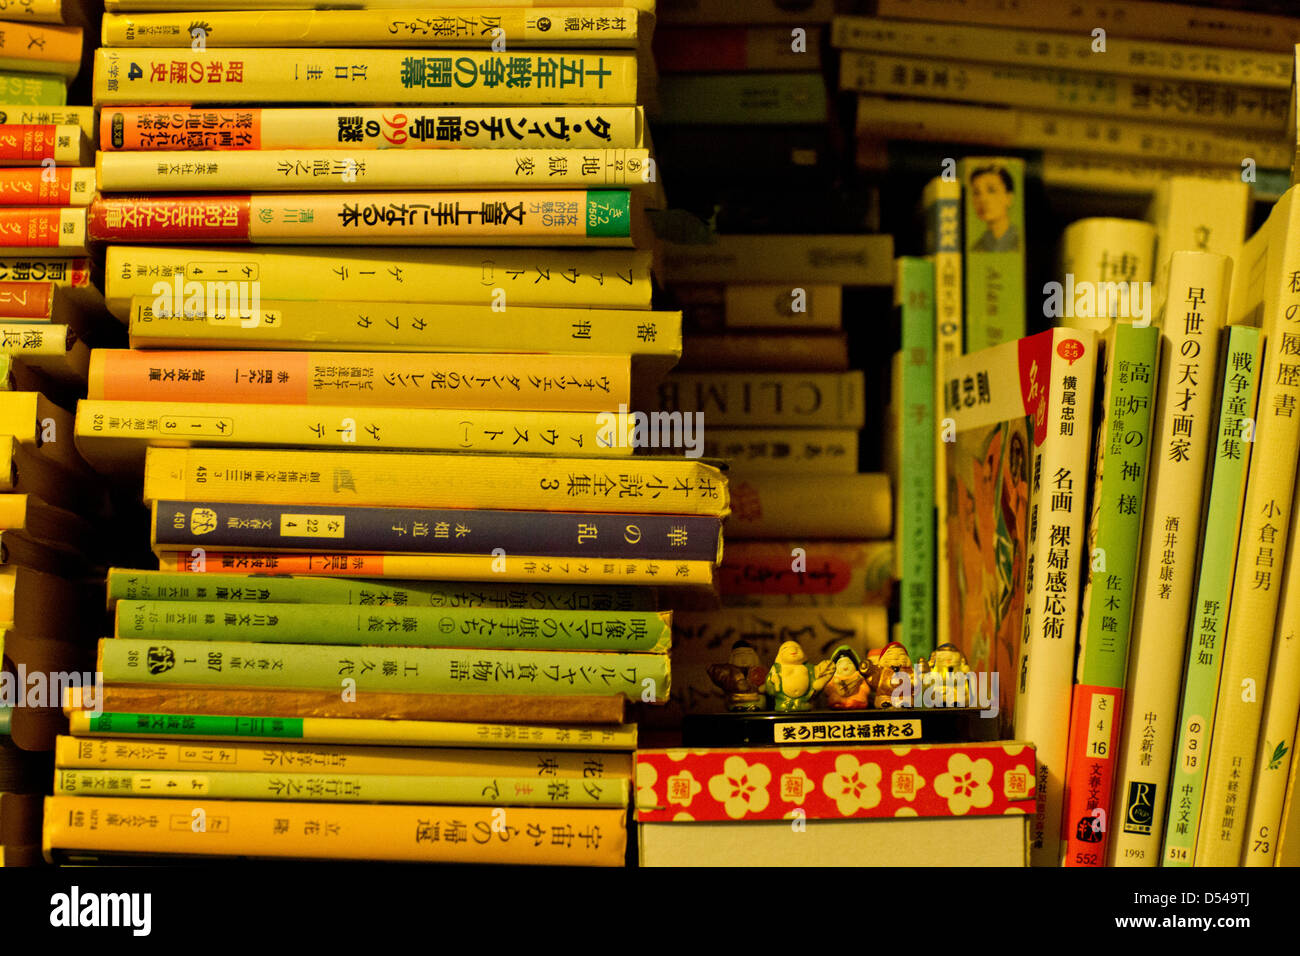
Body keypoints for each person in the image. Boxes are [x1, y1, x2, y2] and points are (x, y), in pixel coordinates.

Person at [969, 165, 1019, 253]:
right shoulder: (977, 248)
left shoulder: (1019, 241)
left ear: (1009, 198)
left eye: (991, 190)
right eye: (977, 193)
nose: (982, 199)